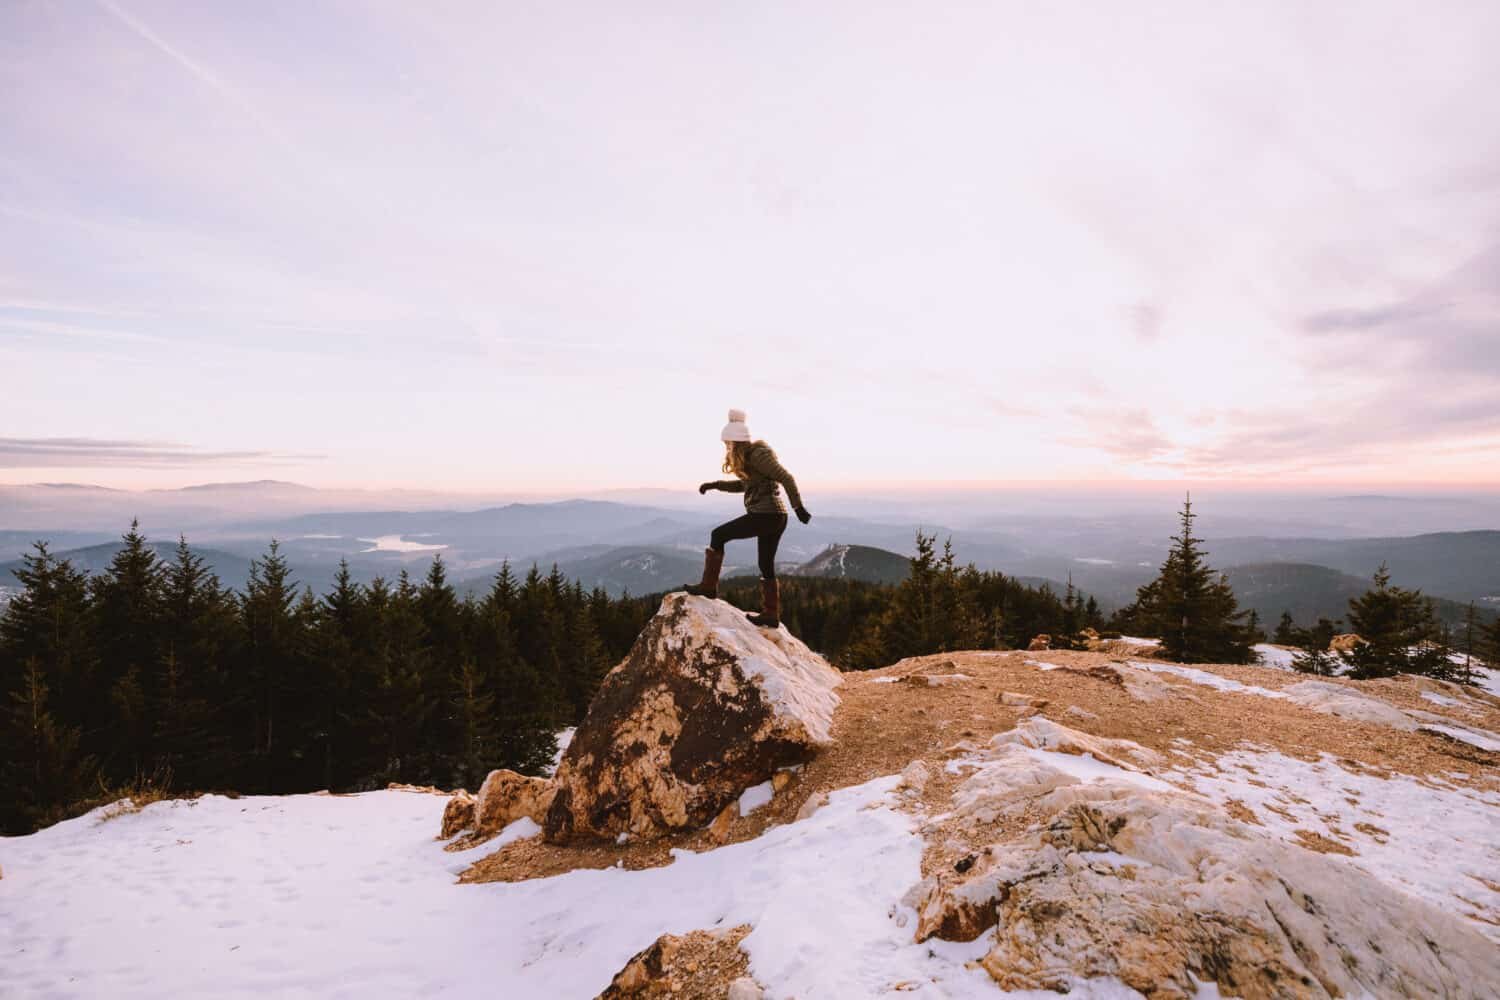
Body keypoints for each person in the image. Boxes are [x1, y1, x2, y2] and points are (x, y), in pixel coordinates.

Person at [683, 408, 811, 627]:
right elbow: (744, 485)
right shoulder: (751, 459)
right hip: (775, 517)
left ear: (736, 441)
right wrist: (715, 485)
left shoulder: (758, 456)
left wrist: (798, 507)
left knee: (718, 535)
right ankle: (771, 615)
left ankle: (708, 587)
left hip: (766, 516)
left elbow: (786, 477)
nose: (726, 447)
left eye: (727, 443)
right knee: (765, 564)